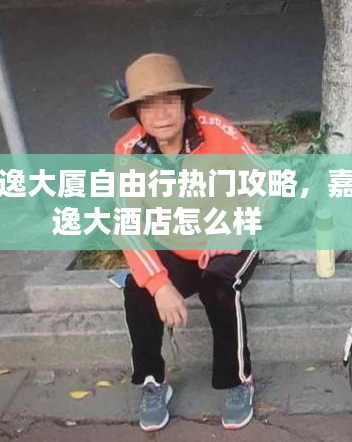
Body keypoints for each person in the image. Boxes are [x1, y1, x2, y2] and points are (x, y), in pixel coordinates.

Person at [110, 53, 262, 432]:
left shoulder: (217, 130)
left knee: (218, 284)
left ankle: (238, 380)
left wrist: (236, 227)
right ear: (137, 114)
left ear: (185, 103)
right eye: (149, 106)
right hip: (176, 243)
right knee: (138, 288)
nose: (161, 115)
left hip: (231, 235)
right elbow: (127, 223)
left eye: (169, 101)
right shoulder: (129, 151)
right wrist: (159, 284)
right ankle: (153, 381)